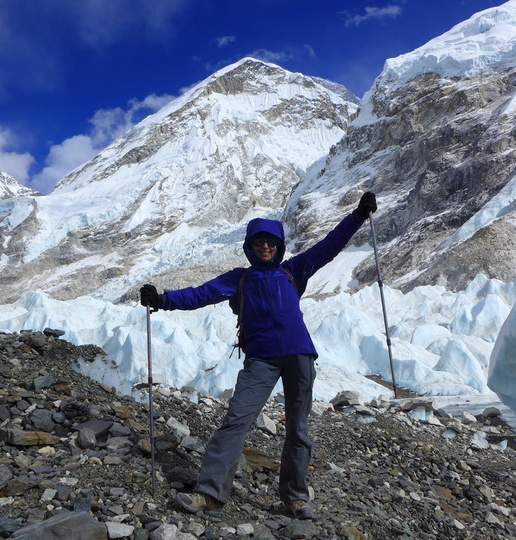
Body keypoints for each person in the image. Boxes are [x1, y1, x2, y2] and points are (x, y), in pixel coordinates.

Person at [139, 192, 377, 520]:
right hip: (261, 360)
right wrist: (162, 300)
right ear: (250, 247)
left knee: (298, 428)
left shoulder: (295, 270)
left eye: (271, 242)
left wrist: (358, 215)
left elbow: (330, 245)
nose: (265, 246)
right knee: (236, 420)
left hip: (299, 356)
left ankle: (295, 498)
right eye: (259, 242)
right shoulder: (239, 279)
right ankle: (209, 493)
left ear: (279, 246)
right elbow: (200, 294)